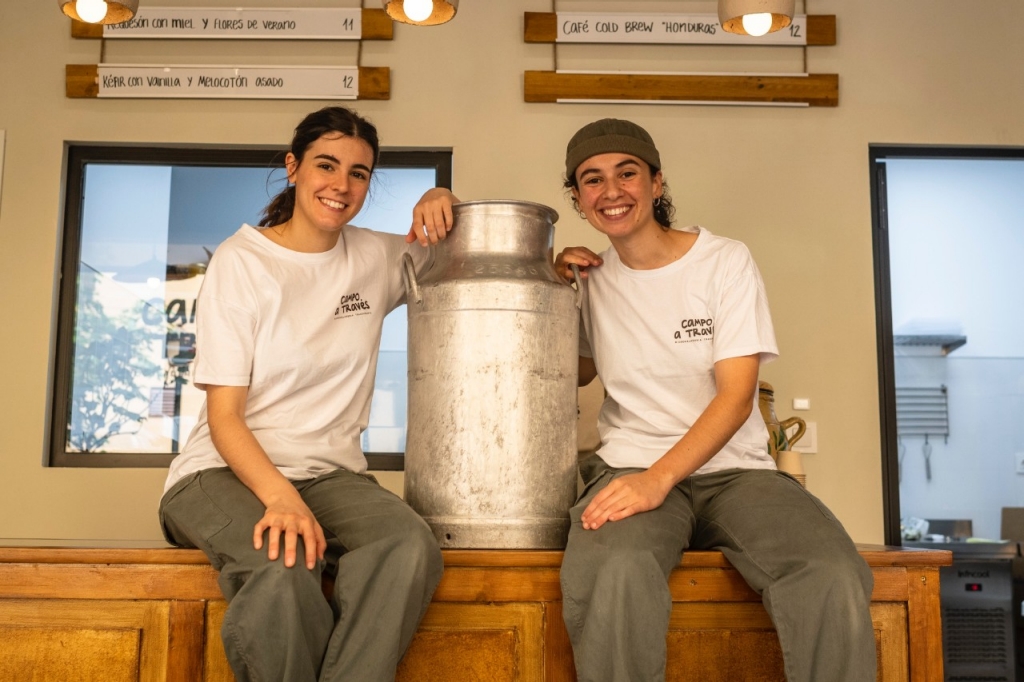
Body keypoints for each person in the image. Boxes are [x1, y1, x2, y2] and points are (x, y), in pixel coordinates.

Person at [553, 118, 876, 682]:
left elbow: (736, 396)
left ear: (657, 184)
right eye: (592, 179)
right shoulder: (590, 280)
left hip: (736, 474)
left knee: (830, 570)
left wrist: (660, 478)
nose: (611, 191)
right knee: (615, 570)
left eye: (627, 173)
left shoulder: (725, 260)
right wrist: (551, 292)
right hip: (629, 465)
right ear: (578, 200)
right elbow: (571, 373)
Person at [158, 106, 455, 682]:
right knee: (284, 561)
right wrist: (279, 497)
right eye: (326, 165)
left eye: (360, 173)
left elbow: (480, 255)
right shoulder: (242, 262)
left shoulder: (377, 255)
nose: (341, 185)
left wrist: (445, 200)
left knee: (408, 547)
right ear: (293, 168)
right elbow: (224, 417)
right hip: (221, 471)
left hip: (329, 475)